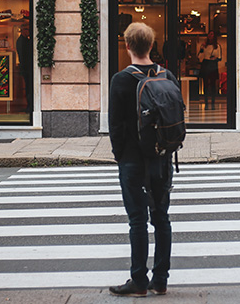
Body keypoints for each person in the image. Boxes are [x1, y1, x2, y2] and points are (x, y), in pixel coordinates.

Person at [108, 22, 176, 297]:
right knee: (161, 217)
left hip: (133, 160)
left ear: (127, 46)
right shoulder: (166, 75)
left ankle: (138, 280)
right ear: (151, 45)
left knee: (137, 220)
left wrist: (120, 156)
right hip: (162, 158)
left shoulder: (122, 79)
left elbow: (115, 125)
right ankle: (160, 279)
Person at [198, 30, 222, 110]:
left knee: (213, 85)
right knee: (205, 85)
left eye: (212, 34)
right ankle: (206, 102)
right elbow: (199, 56)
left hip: (213, 65)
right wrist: (202, 48)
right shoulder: (204, 45)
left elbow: (220, 57)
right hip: (205, 64)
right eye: (209, 34)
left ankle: (212, 102)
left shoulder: (217, 46)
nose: (210, 36)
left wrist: (215, 58)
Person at [15, 25, 33, 111]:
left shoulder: (24, 40)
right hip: (27, 68)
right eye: (27, 29)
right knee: (28, 86)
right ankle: (29, 105)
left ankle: (29, 105)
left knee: (28, 86)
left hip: (26, 68)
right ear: (23, 30)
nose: (29, 31)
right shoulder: (22, 41)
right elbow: (24, 55)